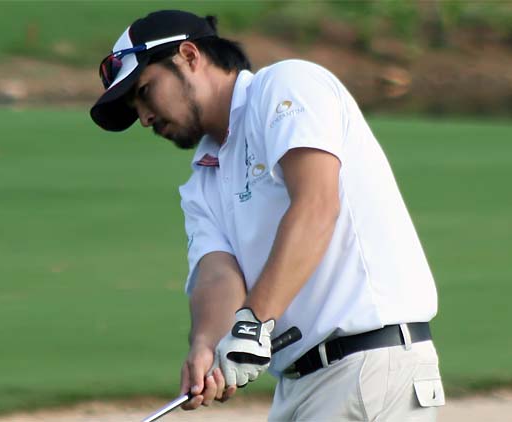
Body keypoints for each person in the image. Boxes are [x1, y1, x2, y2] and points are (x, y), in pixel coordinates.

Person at [90, 10, 445, 421]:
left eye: (145, 91)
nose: (145, 117)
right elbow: (217, 273)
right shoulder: (203, 179)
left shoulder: (285, 87)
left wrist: (253, 324)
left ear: (189, 55)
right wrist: (207, 344)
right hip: (301, 384)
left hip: (368, 366)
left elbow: (316, 205)